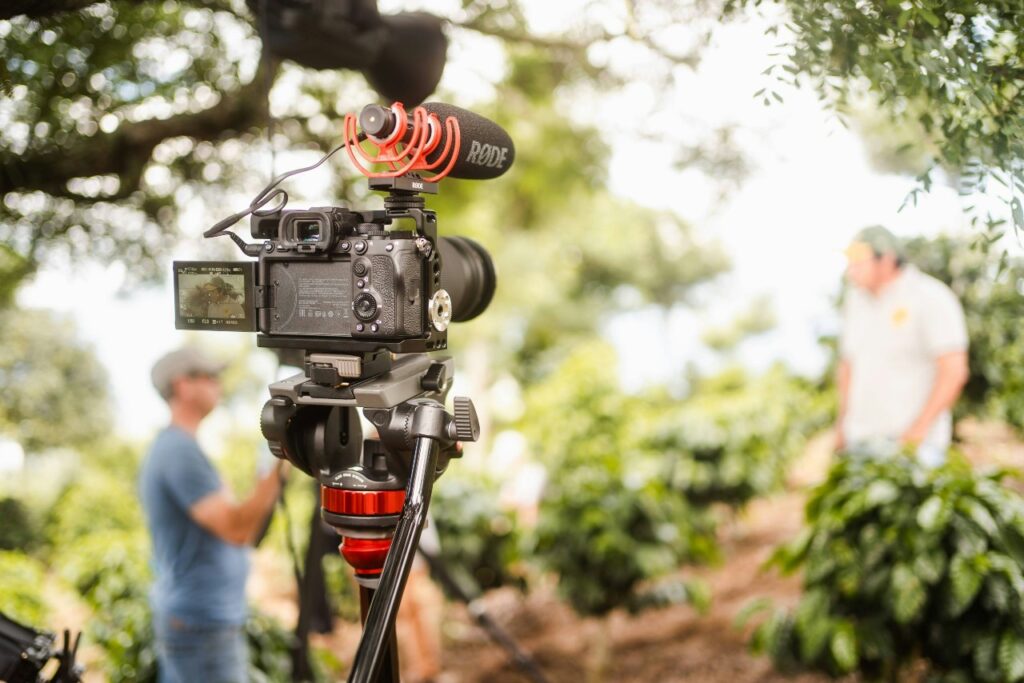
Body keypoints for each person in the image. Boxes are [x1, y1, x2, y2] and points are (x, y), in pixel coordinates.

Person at [140, 347, 287, 683]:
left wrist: (271, 478)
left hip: (204, 621)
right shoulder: (178, 452)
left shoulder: (184, 448)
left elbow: (244, 532)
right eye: (210, 376)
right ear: (183, 385)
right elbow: (235, 529)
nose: (218, 384)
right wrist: (278, 467)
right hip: (201, 625)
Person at [836, 225, 969, 467]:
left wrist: (917, 432)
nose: (850, 271)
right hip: (861, 442)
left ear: (886, 260)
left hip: (917, 448)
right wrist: (842, 425)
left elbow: (953, 371)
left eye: (859, 262)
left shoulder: (931, 297)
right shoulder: (855, 301)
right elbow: (848, 365)